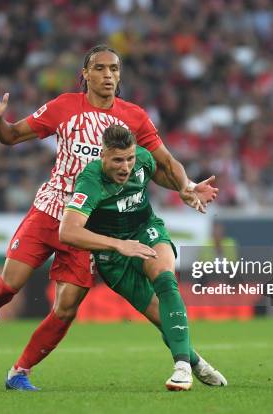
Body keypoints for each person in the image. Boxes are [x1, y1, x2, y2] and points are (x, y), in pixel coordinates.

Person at [0, 45, 218, 391]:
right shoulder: (64, 107)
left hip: (89, 224)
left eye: (115, 69)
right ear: (86, 74)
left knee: (66, 308)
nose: (108, 75)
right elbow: (11, 136)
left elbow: (163, 163)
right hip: (50, 210)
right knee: (9, 285)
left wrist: (187, 185)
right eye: (100, 68)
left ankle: (19, 372)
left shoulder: (134, 116)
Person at [59, 125, 226, 390]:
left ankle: (181, 367)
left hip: (145, 229)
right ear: (103, 155)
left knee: (165, 278)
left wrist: (186, 187)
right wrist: (118, 245)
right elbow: (67, 231)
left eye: (129, 158)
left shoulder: (144, 158)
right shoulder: (90, 181)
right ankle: (196, 362)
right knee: (162, 317)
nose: (125, 167)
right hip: (112, 256)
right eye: (117, 160)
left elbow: (162, 172)